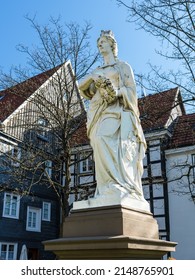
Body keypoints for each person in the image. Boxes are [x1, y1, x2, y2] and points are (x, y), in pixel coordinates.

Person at [79, 30, 148, 208]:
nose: (100, 45)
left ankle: (118, 184)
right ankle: (105, 187)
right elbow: (80, 84)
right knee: (98, 142)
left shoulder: (123, 67)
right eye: (98, 43)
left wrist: (117, 92)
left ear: (112, 44)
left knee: (105, 139)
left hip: (117, 110)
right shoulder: (97, 70)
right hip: (98, 112)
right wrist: (94, 77)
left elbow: (132, 91)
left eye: (103, 42)